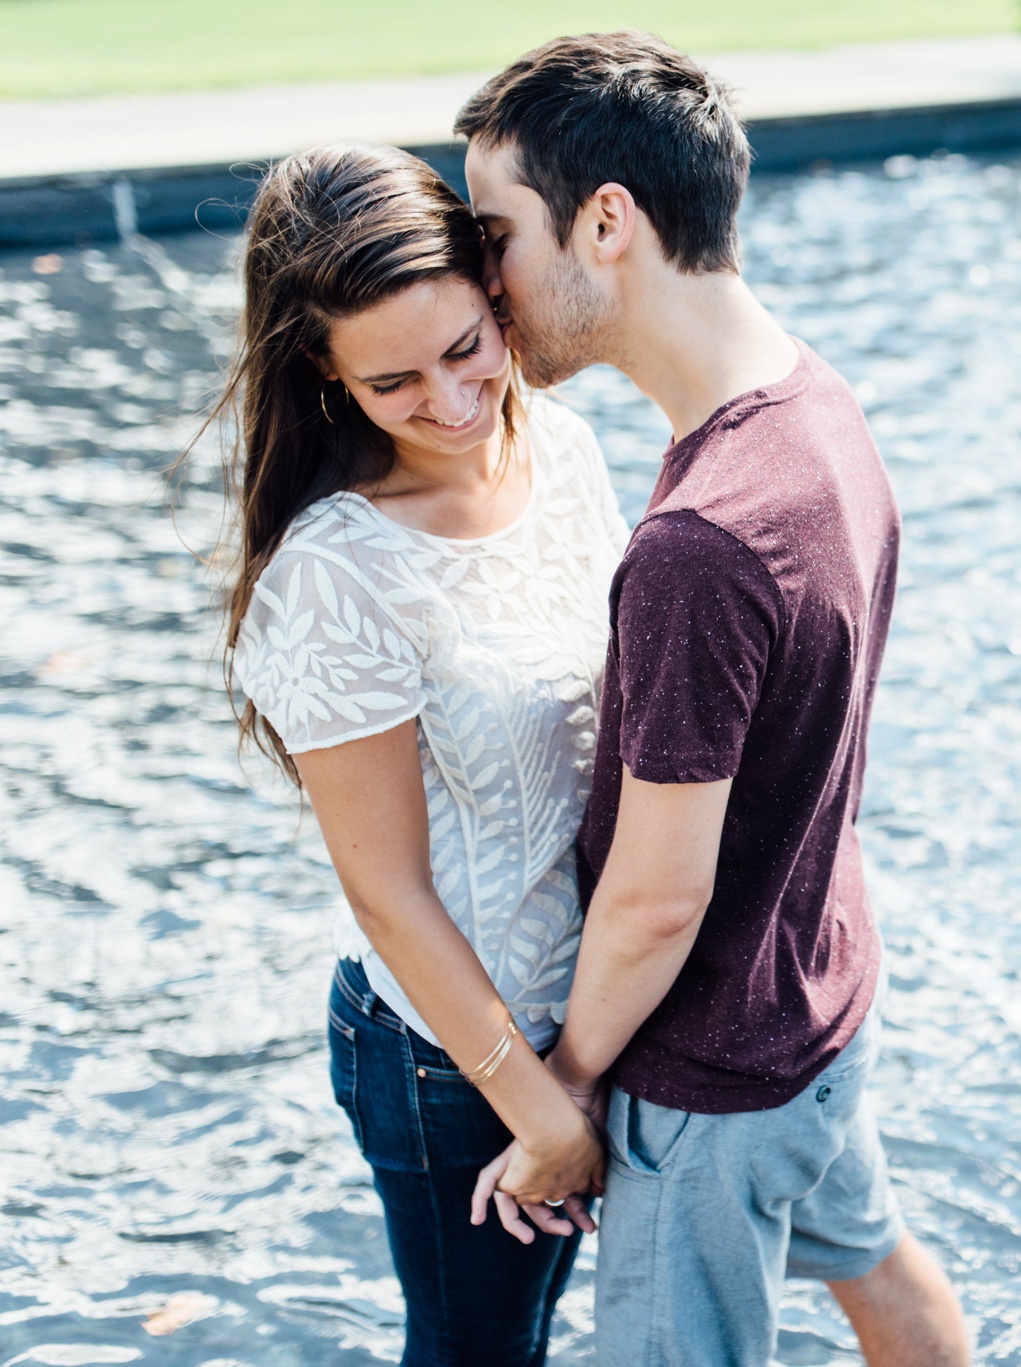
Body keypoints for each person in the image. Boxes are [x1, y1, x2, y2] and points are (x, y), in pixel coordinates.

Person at [457, 32, 972, 1367]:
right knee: (882, 1271)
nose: (481, 279)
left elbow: (656, 895)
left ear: (608, 222)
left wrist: (561, 1082)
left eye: (496, 232)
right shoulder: (816, 404)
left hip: (708, 1084)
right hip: (817, 996)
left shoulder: (699, 544)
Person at [215, 142, 628, 1365]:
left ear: (497, 297)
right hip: (451, 1058)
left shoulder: (561, 447)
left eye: (466, 349)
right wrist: (532, 1101)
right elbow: (386, 891)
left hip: (596, 1014)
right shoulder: (335, 574)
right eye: (393, 382)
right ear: (324, 375)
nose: (453, 404)